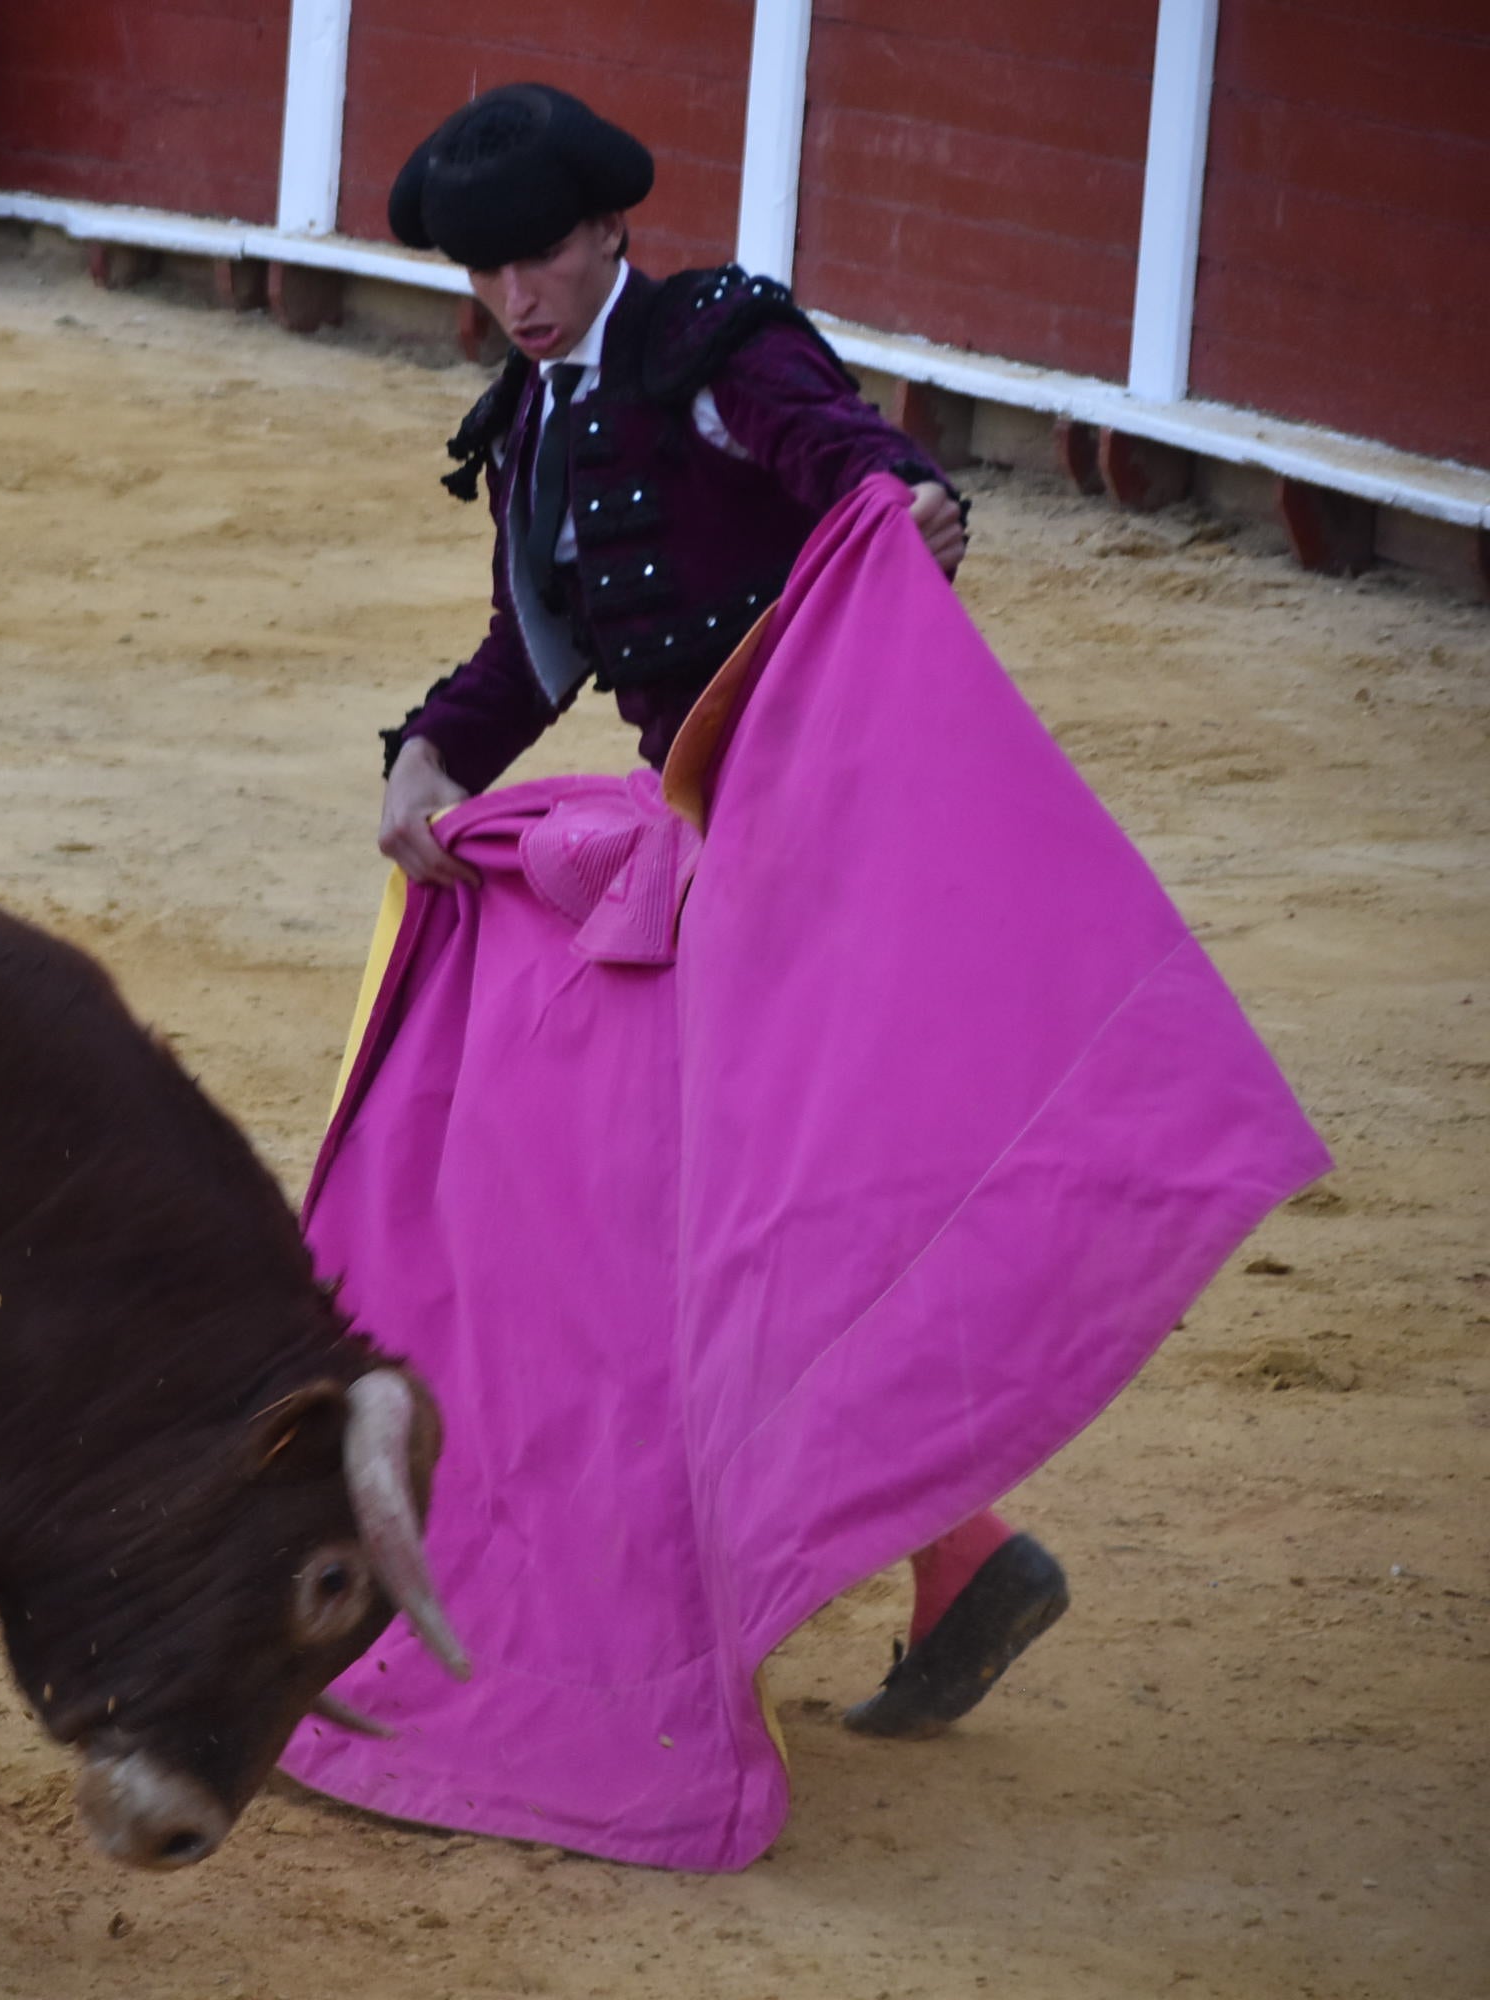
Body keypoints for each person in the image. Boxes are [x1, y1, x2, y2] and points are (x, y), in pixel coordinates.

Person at [368, 82, 1066, 1739]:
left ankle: (916, 1553)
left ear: (611, 230)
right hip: (708, 844)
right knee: (702, 1217)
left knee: (709, 1217)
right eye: (486, 270)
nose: (516, 296)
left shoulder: (712, 349)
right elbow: (538, 653)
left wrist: (906, 507)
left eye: (538, 256)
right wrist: (425, 759)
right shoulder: (536, 416)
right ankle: (951, 1549)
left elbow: (849, 465)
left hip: (829, 830)